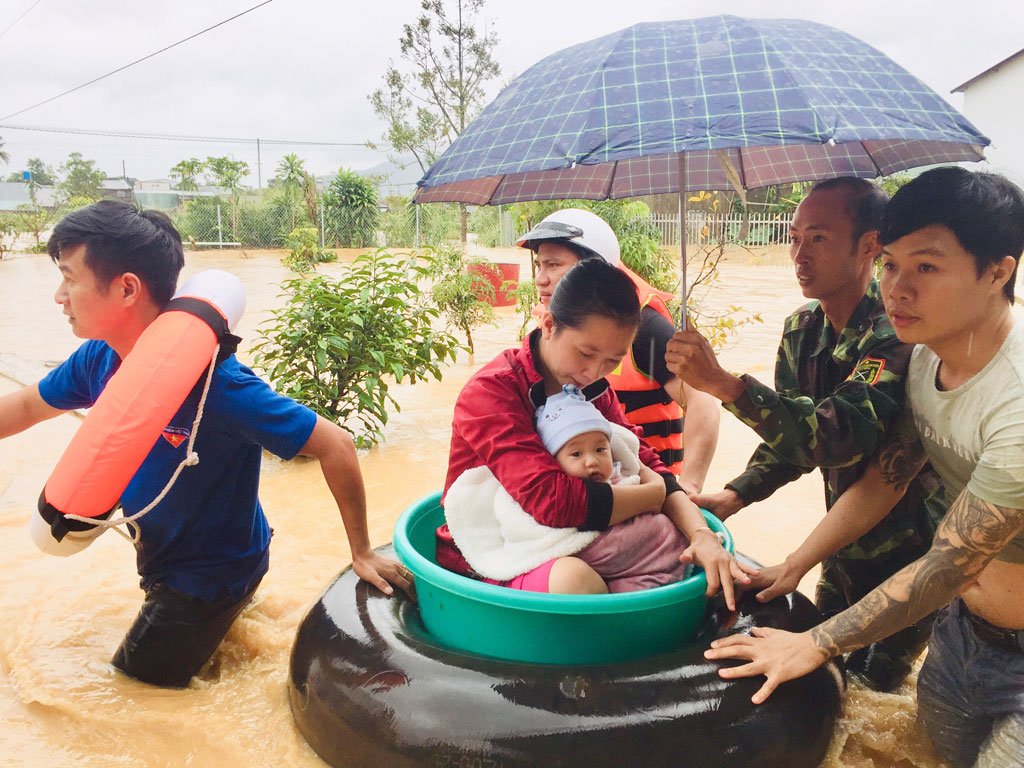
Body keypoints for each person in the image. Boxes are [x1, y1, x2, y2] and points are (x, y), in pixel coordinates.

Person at [0, 200, 408, 688]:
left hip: (207, 581)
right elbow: (25, 408)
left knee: (133, 695)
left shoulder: (220, 387)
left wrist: (361, 551)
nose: (58, 296)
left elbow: (336, 443)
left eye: (69, 278)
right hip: (177, 557)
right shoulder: (98, 361)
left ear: (127, 288)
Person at [704, 167, 1024, 768]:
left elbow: (948, 562)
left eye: (926, 267)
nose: (898, 288)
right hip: (965, 634)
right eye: (892, 263)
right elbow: (886, 476)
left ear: (998, 271)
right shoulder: (929, 358)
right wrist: (793, 560)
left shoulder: (1014, 399)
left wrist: (815, 641)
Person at [665, 177, 946, 691]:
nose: (798, 254)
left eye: (817, 238)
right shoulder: (803, 331)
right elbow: (793, 441)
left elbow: (840, 436)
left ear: (869, 245)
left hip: (913, 559)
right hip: (839, 545)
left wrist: (725, 386)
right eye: (794, 238)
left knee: (875, 690)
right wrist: (734, 495)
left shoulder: (899, 335)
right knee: (829, 681)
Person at [437, 257, 754, 607]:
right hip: (494, 553)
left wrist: (701, 534)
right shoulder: (493, 391)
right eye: (586, 353)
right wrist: (652, 497)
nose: (594, 371)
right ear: (548, 324)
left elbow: (642, 460)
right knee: (575, 581)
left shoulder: (593, 391)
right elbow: (552, 501)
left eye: (612, 360)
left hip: (577, 538)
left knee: (683, 541)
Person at [518, 208, 720, 495]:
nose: (540, 279)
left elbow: (703, 401)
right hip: (585, 485)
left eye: (553, 266)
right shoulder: (552, 328)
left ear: (593, 270)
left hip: (643, 484)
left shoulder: (643, 327)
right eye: (539, 266)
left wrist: (690, 486)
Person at [444, 382, 692, 593]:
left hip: (646, 576)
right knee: (577, 576)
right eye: (575, 453)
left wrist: (693, 527)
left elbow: (645, 466)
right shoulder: (531, 495)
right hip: (563, 577)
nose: (591, 460)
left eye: (600, 449)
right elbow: (532, 536)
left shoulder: (620, 473)